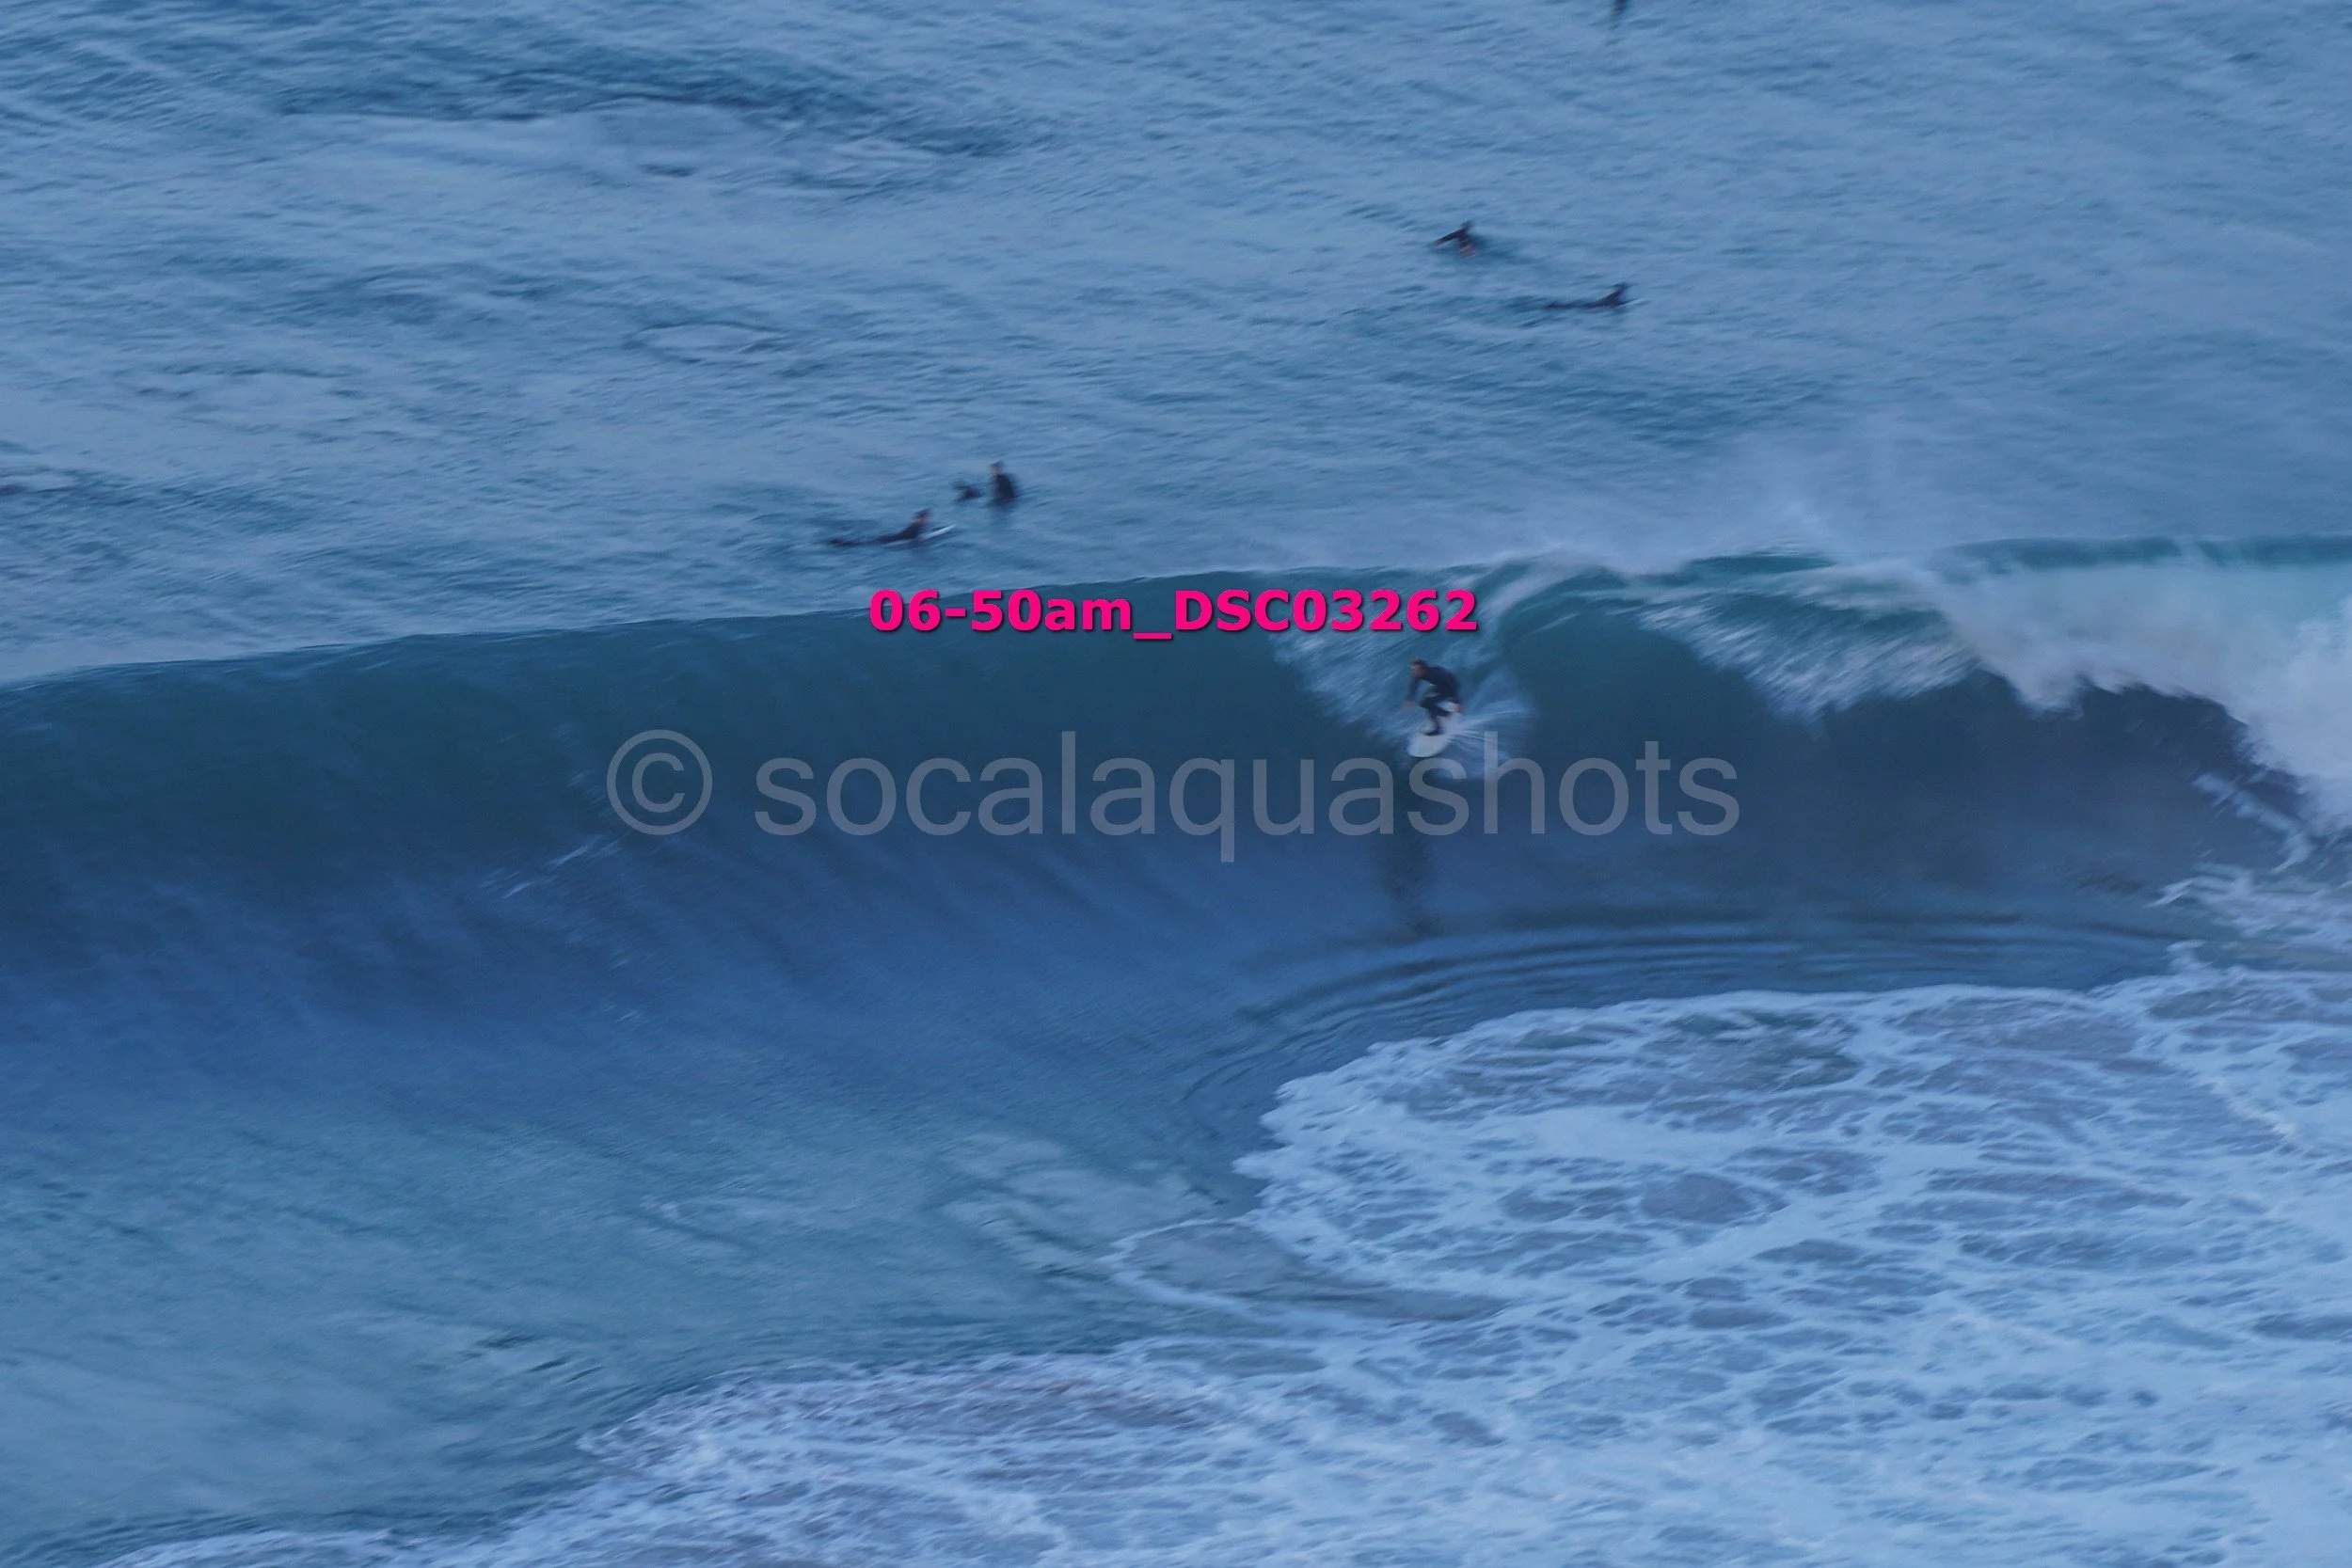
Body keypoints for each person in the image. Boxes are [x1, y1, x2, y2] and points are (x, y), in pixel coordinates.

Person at [1403, 658, 1463, 736]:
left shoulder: (1436, 674)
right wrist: (1409, 700)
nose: (1412, 672)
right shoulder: (1420, 674)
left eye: (1414, 670)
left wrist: (1458, 702)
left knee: (1427, 703)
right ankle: (1446, 714)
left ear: (1422, 669)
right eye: (1412, 670)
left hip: (1449, 687)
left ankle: (1439, 728)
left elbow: (1452, 684)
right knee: (1424, 702)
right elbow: (1414, 685)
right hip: (1439, 686)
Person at [831, 510, 932, 546]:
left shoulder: (915, 526)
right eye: (926, 518)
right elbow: (912, 538)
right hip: (889, 540)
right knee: (862, 544)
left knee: (863, 542)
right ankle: (840, 542)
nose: (927, 520)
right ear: (921, 519)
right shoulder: (915, 527)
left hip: (889, 537)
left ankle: (840, 542)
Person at [1545, 283, 1629, 310]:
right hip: (1593, 305)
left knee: (1572, 306)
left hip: (1592, 305)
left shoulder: (1612, 300)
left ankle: (1556, 306)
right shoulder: (1613, 302)